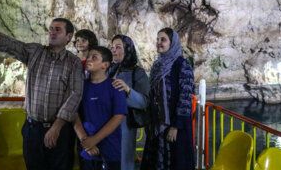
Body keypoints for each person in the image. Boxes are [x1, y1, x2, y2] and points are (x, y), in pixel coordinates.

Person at [0, 8, 84, 170]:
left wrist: (56, 127)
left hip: (60, 131)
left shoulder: (73, 63)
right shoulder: (35, 52)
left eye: (57, 30)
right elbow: (8, 43)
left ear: (68, 37)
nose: (52, 32)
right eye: (51, 29)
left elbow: (74, 95)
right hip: (33, 129)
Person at [140, 28, 195, 170]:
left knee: (175, 162)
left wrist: (175, 126)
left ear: (173, 43)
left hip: (174, 126)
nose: (158, 43)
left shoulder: (182, 65)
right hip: (157, 126)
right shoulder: (157, 65)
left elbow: (185, 98)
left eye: (163, 40)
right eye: (157, 39)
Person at [74, 46, 127, 170]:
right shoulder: (81, 87)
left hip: (110, 149)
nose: (88, 60)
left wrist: (94, 140)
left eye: (94, 57)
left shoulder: (115, 87)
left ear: (105, 65)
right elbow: (73, 113)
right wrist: (85, 141)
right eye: (88, 57)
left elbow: (118, 116)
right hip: (86, 149)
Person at [108, 35, 150, 170]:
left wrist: (128, 90)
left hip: (124, 127)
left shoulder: (138, 72)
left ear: (128, 50)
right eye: (112, 47)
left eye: (118, 47)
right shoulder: (110, 69)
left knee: (123, 162)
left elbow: (144, 101)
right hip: (105, 124)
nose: (113, 50)